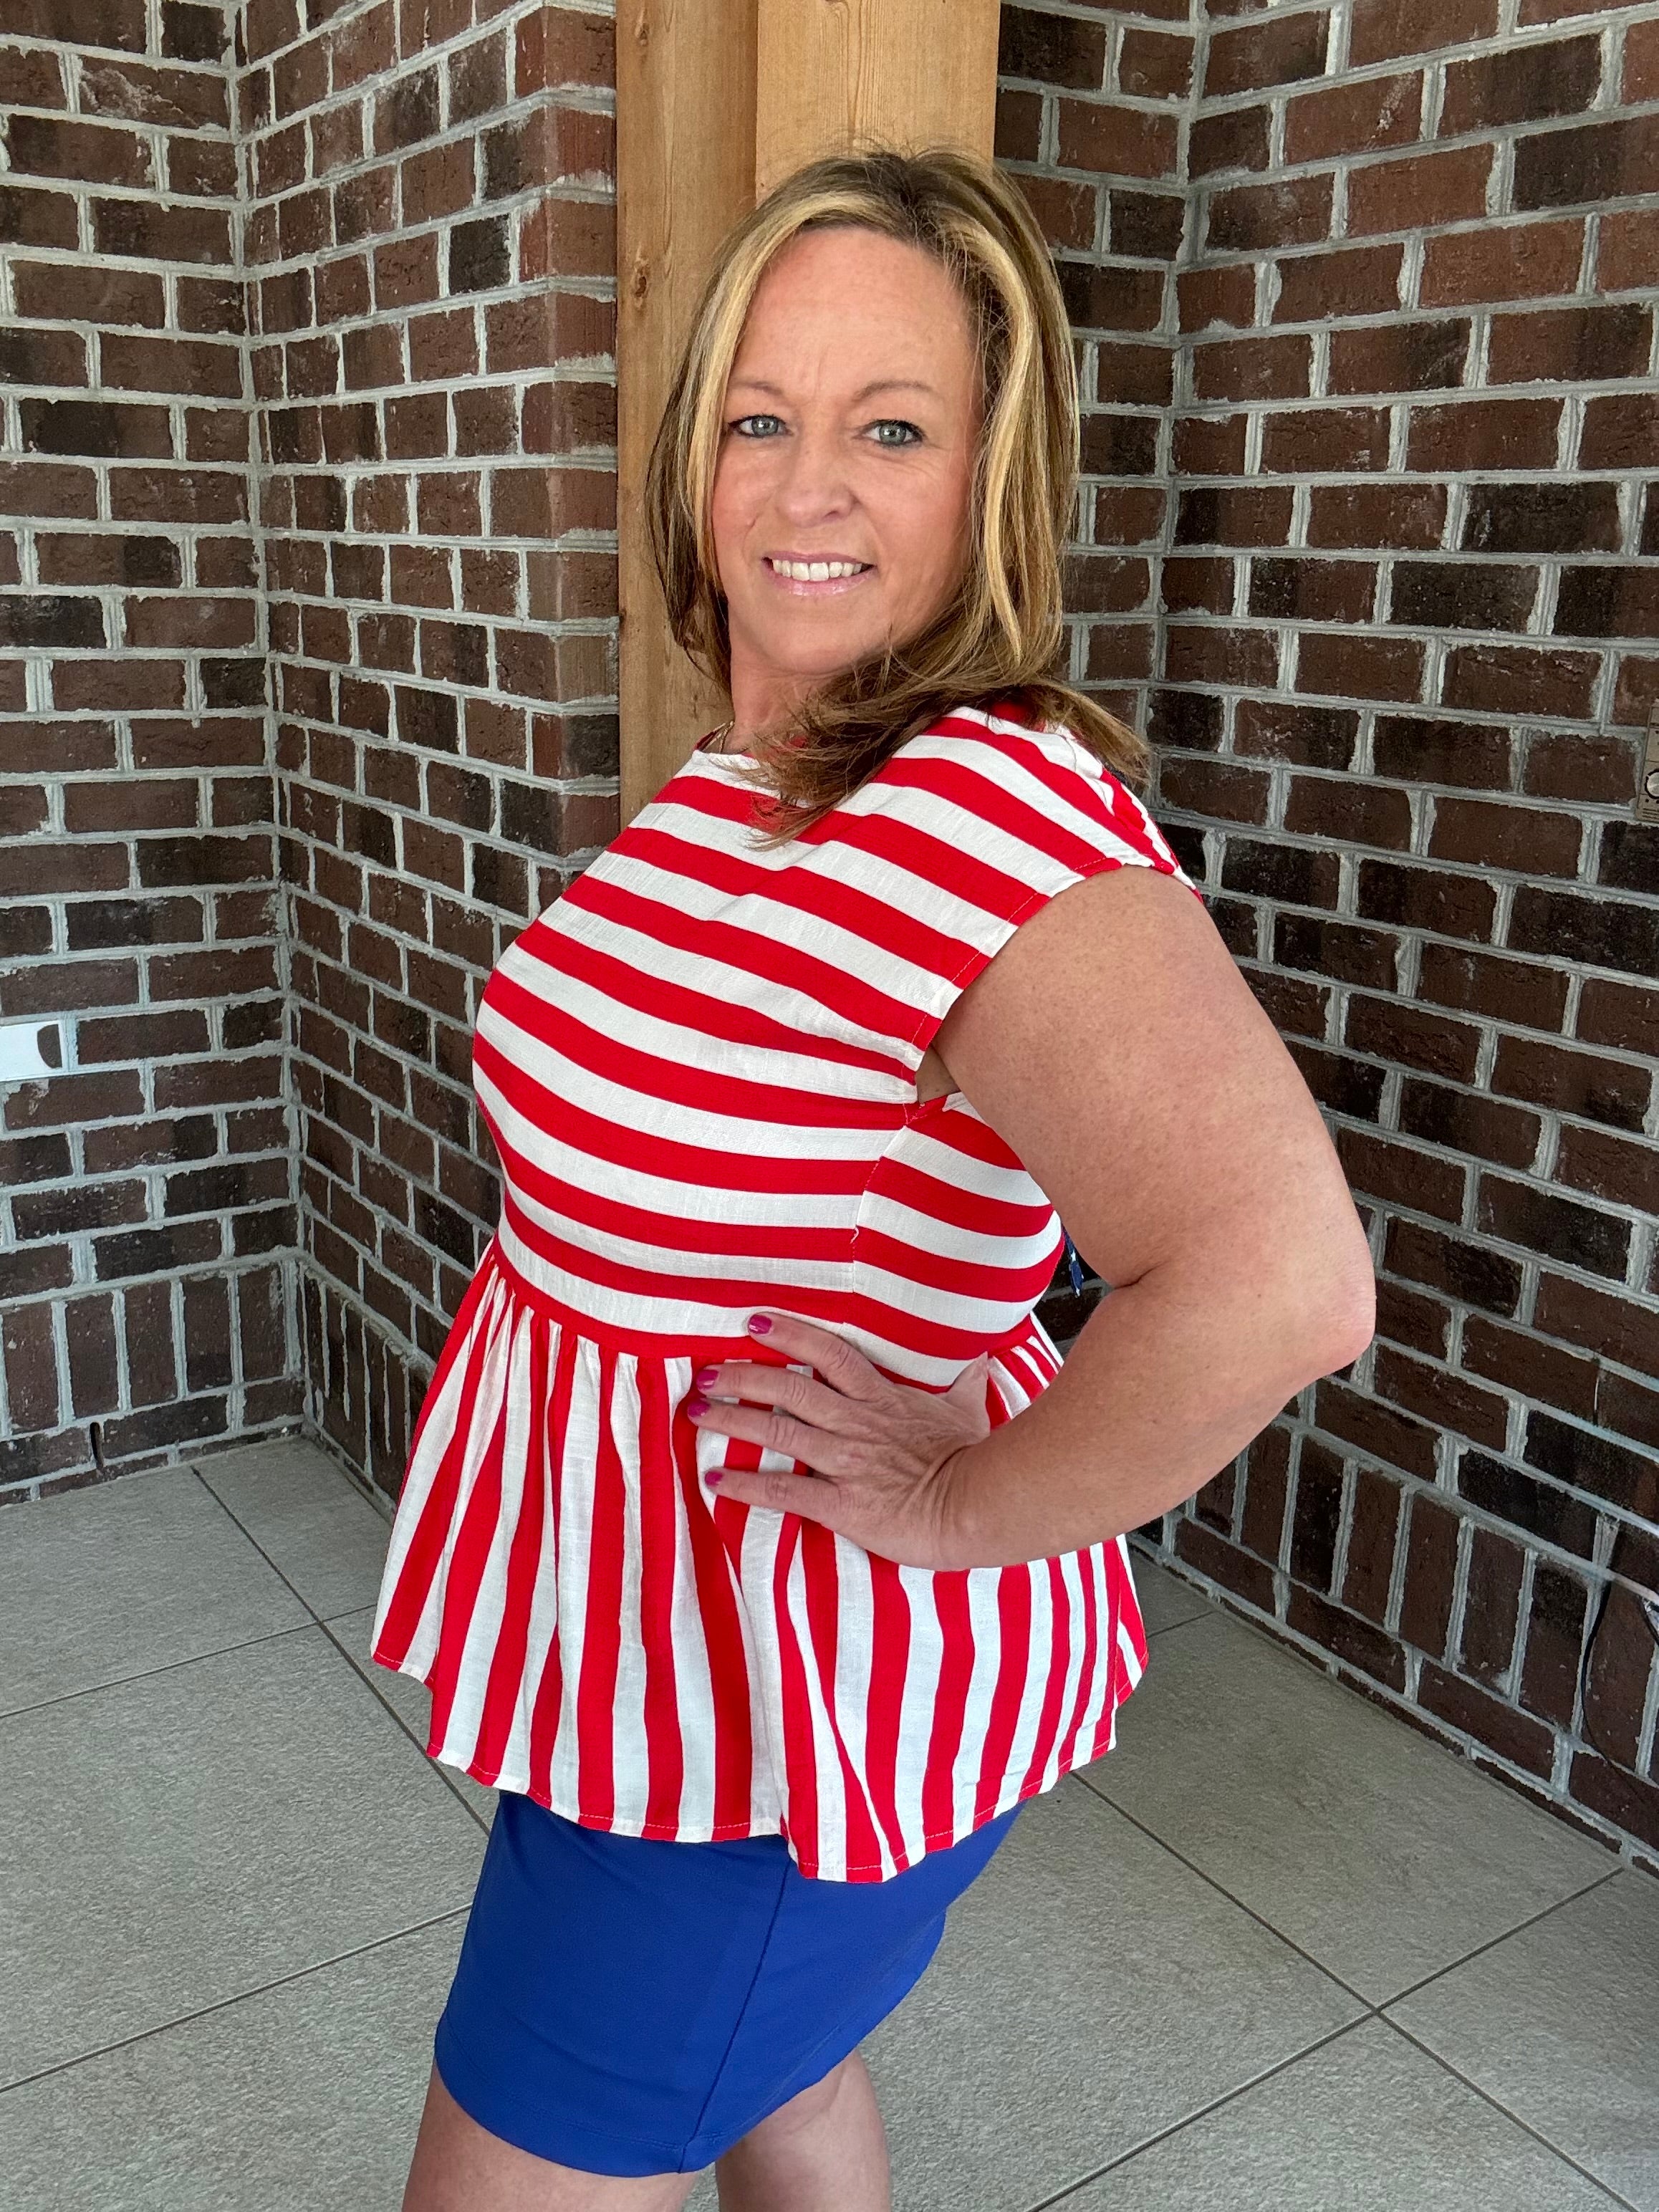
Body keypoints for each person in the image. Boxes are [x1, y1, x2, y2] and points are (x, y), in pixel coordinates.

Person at [379, 147, 1375, 2212]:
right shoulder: (759, 775)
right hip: (651, 1683)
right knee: (786, 2083)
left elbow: (1280, 1278)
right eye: (760, 418)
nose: (805, 486)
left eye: (891, 427)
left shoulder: (987, 802)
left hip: (766, 1730)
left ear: (992, 480)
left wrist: (959, 1502)